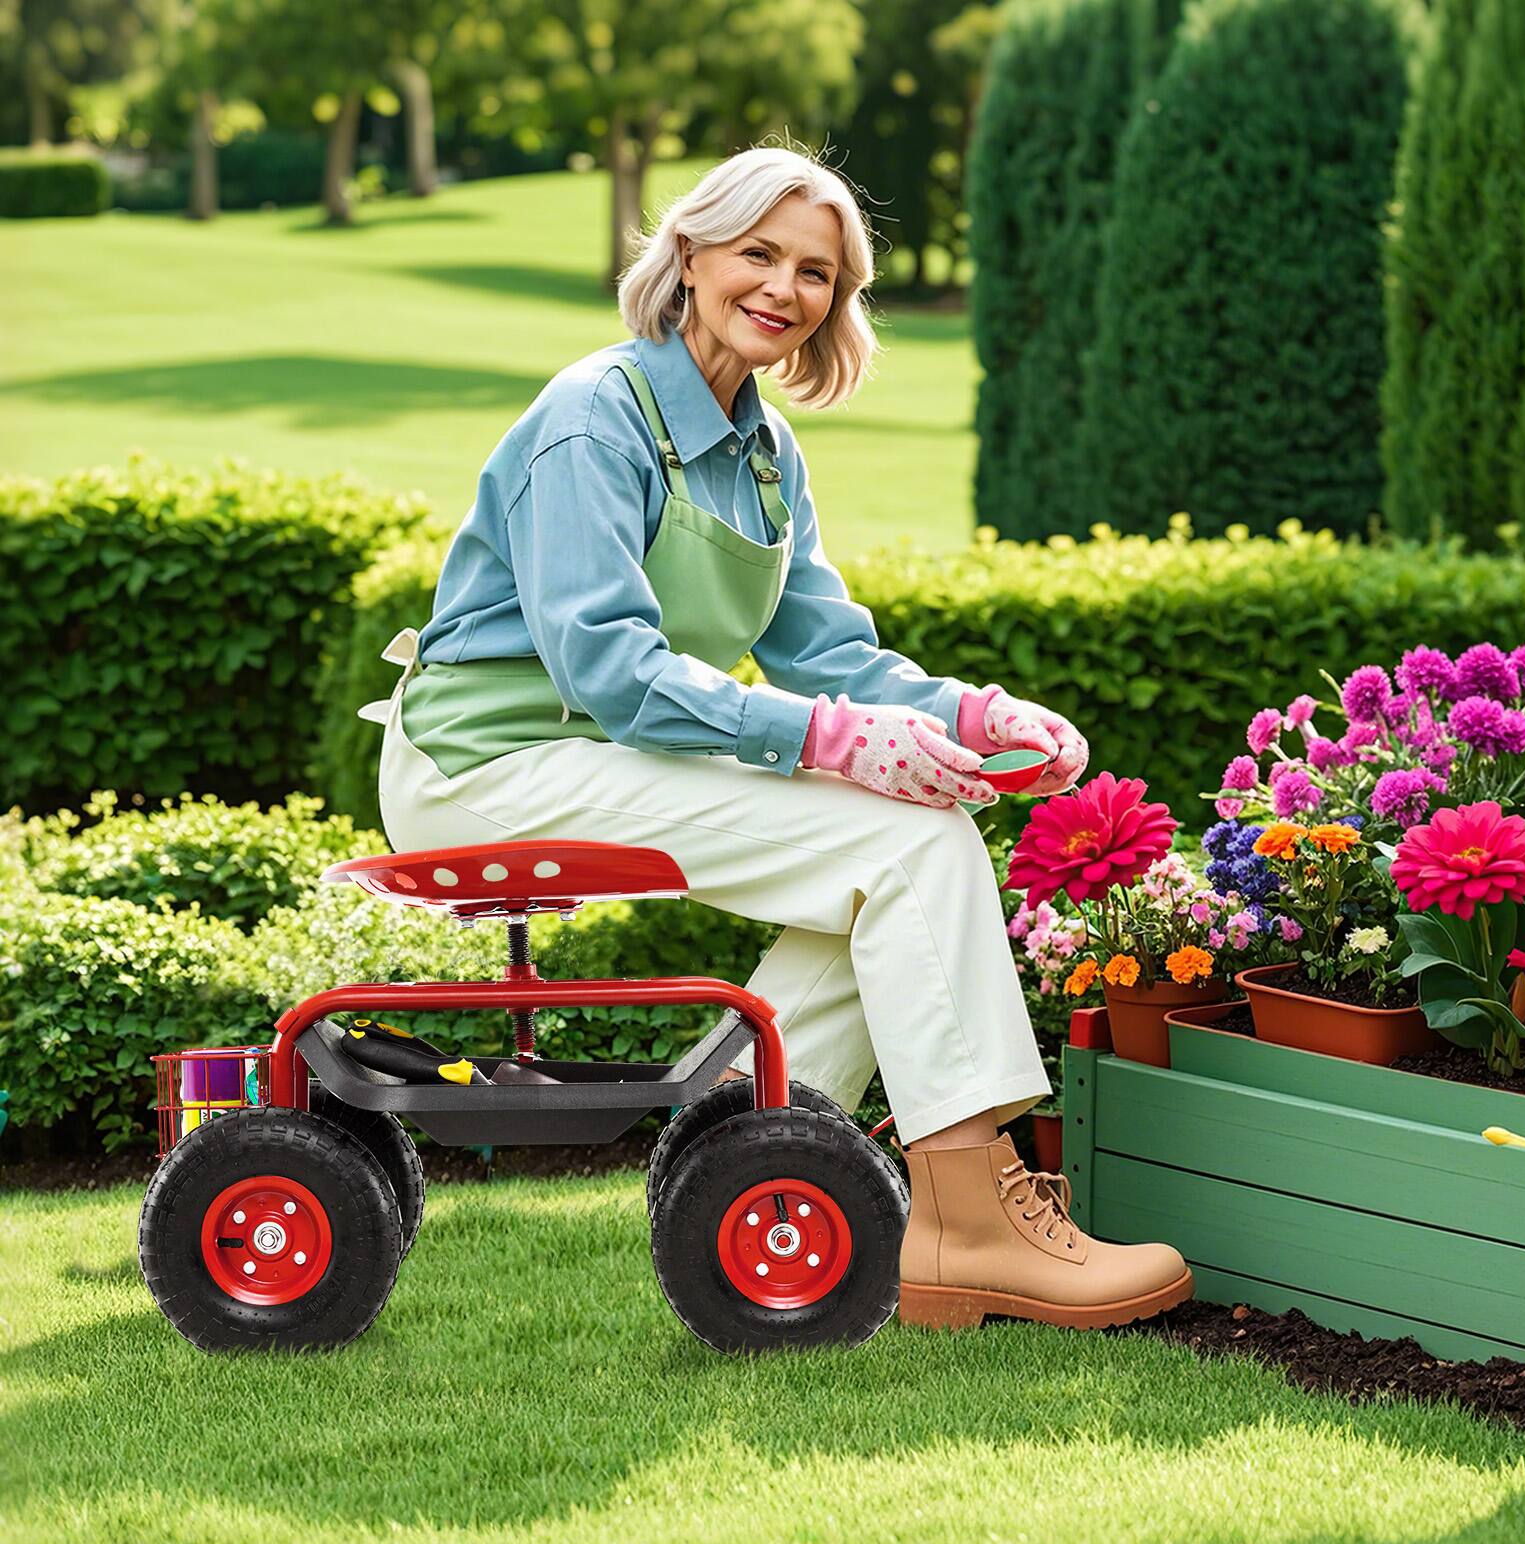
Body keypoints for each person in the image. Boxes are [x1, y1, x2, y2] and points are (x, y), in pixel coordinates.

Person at [372, 142, 1192, 1332]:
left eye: (816, 272)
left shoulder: (763, 453)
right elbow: (611, 672)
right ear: (692, 256)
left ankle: (744, 1168)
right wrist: (829, 742)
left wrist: (971, 713)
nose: (784, 288)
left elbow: (829, 657)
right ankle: (968, 1219)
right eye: (759, 253)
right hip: (485, 764)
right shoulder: (594, 416)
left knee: (898, 868)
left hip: (598, 752)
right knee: (906, 850)